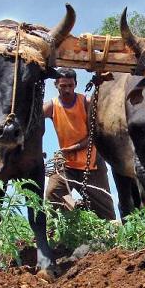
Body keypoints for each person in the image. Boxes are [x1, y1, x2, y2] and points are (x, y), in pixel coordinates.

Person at [43, 68, 115, 220]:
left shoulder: (86, 102)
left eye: (70, 85)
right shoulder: (51, 106)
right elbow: (31, 120)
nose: (67, 89)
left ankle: (112, 237)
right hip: (66, 164)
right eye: (63, 86)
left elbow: (94, 136)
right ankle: (73, 215)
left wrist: (71, 149)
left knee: (106, 212)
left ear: (75, 84)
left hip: (92, 165)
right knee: (52, 193)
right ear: (56, 85)